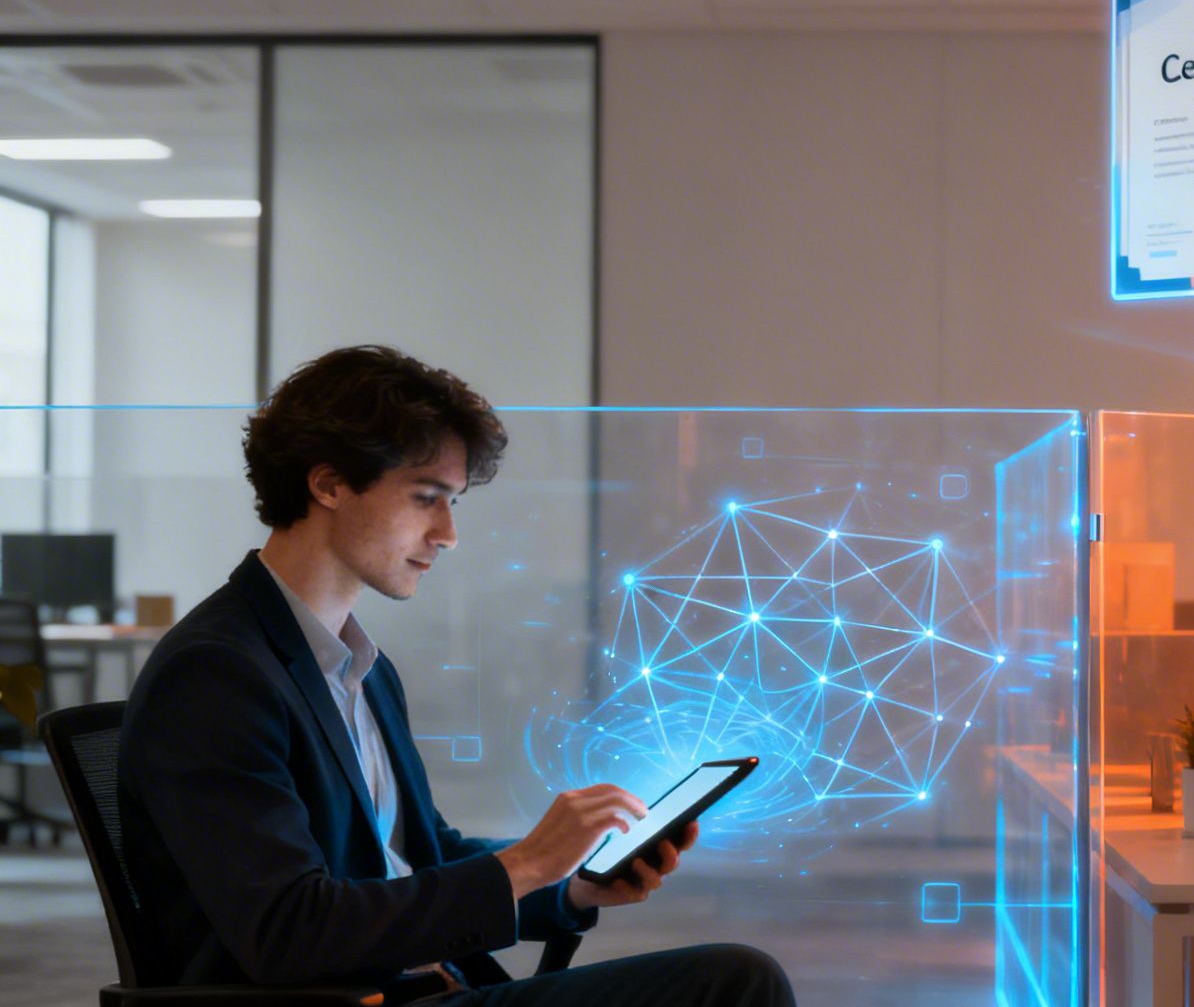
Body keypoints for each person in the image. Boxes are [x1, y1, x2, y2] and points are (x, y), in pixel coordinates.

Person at [119, 345, 795, 1006]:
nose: (447, 533)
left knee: (733, 978)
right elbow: (288, 930)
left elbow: (421, 856)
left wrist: (572, 884)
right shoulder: (217, 672)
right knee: (735, 983)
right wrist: (527, 862)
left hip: (430, 983)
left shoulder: (360, 669)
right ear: (327, 483)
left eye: (453, 504)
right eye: (425, 498)